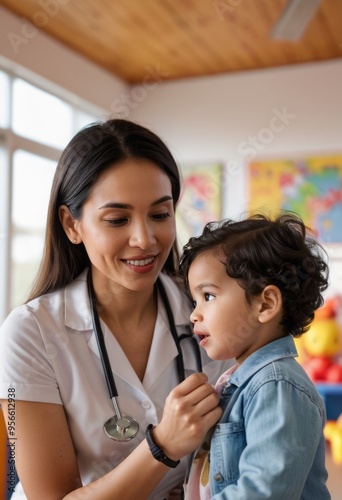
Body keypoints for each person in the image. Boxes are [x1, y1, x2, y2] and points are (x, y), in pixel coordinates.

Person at [0, 119, 231, 500]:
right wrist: (162, 445)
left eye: (160, 214)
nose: (145, 239)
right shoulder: (28, 333)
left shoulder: (213, 311)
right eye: (117, 219)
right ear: (71, 225)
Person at [179, 213, 331, 499]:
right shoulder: (240, 382)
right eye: (194, 300)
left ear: (265, 304)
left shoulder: (277, 386)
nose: (194, 314)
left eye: (208, 296)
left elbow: (264, 491)